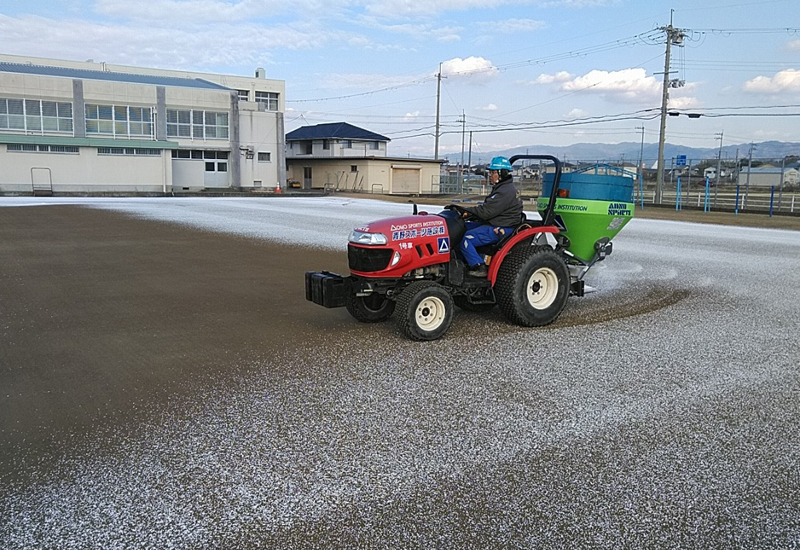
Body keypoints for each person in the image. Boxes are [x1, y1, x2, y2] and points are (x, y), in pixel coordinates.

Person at [457, 156, 523, 277]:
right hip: (495, 222)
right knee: (460, 228)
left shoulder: (505, 191)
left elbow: (487, 211)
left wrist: (467, 211)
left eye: (493, 172)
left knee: (464, 238)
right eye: (490, 172)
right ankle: (460, 261)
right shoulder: (502, 188)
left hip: (502, 227)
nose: (490, 175)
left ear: (502, 173)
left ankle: (479, 266)